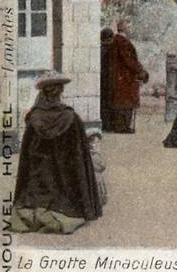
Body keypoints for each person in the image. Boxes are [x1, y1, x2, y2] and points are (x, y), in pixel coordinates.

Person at [10, 72, 101, 234]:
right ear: (60, 93)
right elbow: (80, 157)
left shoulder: (34, 117)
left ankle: (35, 215)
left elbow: (27, 155)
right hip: (65, 179)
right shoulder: (71, 118)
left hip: (39, 176)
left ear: (42, 93)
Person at [109, 19, 148, 133]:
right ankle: (123, 127)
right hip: (125, 77)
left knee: (123, 101)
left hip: (121, 75)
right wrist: (140, 69)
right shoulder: (122, 41)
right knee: (125, 101)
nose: (131, 29)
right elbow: (128, 60)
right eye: (129, 27)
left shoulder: (117, 40)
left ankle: (123, 126)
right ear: (124, 28)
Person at [99, 27, 115, 131]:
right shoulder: (110, 49)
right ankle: (108, 125)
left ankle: (106, 124)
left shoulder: (100, 48)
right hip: (108, 79)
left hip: (102, 78)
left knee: (103, 103)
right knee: (108, 103)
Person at [87, 129, 107, 208]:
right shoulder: (93, 154)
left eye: (99, 142)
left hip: (97, 174)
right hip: (95, 175)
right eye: (96, 142)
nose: (98, 144)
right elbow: (102, 166)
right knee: (97, 187)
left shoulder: (95, 153)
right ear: (90, 143)